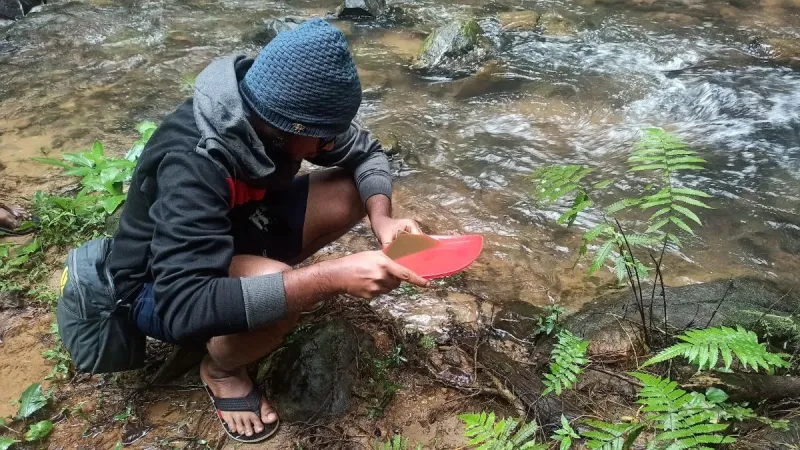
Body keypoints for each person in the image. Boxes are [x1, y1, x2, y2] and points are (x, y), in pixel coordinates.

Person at [106, 19, 428, 443]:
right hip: (158, 284)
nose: (329, 146)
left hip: (231, 231)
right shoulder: (194, 162)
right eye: (322, 139)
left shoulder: (279, 108)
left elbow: (367, 152)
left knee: (352, 192)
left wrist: (381, 219)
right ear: (287, 129)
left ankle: (259, 287)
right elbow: (182, 304)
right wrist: (327, 278)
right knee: (282, 294)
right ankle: (221, 371)